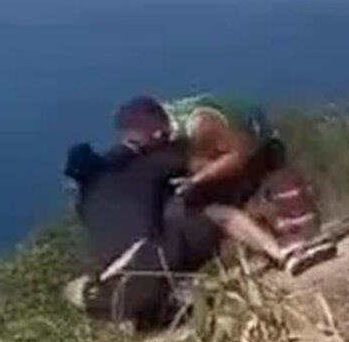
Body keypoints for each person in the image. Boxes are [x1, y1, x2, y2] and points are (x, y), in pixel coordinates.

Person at [114, 95, 336, 276]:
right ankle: (279, 249)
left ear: (155, 132)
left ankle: (298, 240)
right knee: (214, 211)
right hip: (219, 159)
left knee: (281, 198)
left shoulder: (198, 125)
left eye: (137, 143)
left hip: (256, 148)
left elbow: (238, 154)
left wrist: (197, 180)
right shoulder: (160, 142)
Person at [62, 138, 221, 331]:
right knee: (197, 214)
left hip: (122, 289)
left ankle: (154, 310)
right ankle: (185, 287)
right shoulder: (133, 171)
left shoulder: (83, 208)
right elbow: (183, 159)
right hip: (162, 255)